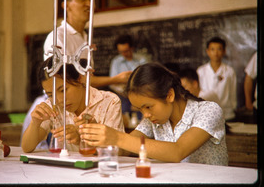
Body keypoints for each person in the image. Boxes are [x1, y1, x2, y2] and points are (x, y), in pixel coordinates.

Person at [79, 62, 228, 166]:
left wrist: (117, 137)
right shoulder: (155, 120)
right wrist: (94, 135)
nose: (146, 115)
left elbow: (177, 152)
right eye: (140, 109)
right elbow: (123, 150)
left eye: (148, 107)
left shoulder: (209, 110)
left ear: (169, 95)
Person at [21, 57, 125, 153]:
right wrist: (35, 123)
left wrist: (82, 140)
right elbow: (27, 147)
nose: (59, 100)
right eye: (50, 94)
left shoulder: (109, 102)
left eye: (63, 90)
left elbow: (117, 151)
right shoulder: (53, 106)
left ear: (80, 79)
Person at [44, 0, 131, 88]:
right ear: (66, 5)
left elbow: (86, 78)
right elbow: (66, 80)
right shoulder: (58, 37)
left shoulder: (85, 37)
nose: (90, 4)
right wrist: (116, 79)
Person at [109, 34, 149, 121]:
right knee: (124, 117)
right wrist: (126, 93)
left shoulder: (142, 59)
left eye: (126, 51)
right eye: (121, 52)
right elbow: (112, 83)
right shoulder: (116, 62)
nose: (123, 54)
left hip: (142, 94)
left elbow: (148, 78)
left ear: (132, 48)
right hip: (123, 96)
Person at [197, 37, 237, 121]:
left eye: (219, 49)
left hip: (227, 114)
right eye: (212, 49)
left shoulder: (229, 71)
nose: (216, 53)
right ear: (207, 51)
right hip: (206, 114)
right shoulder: (201, 71)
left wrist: (233, 107)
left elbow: (233, 92)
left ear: (224, 51)